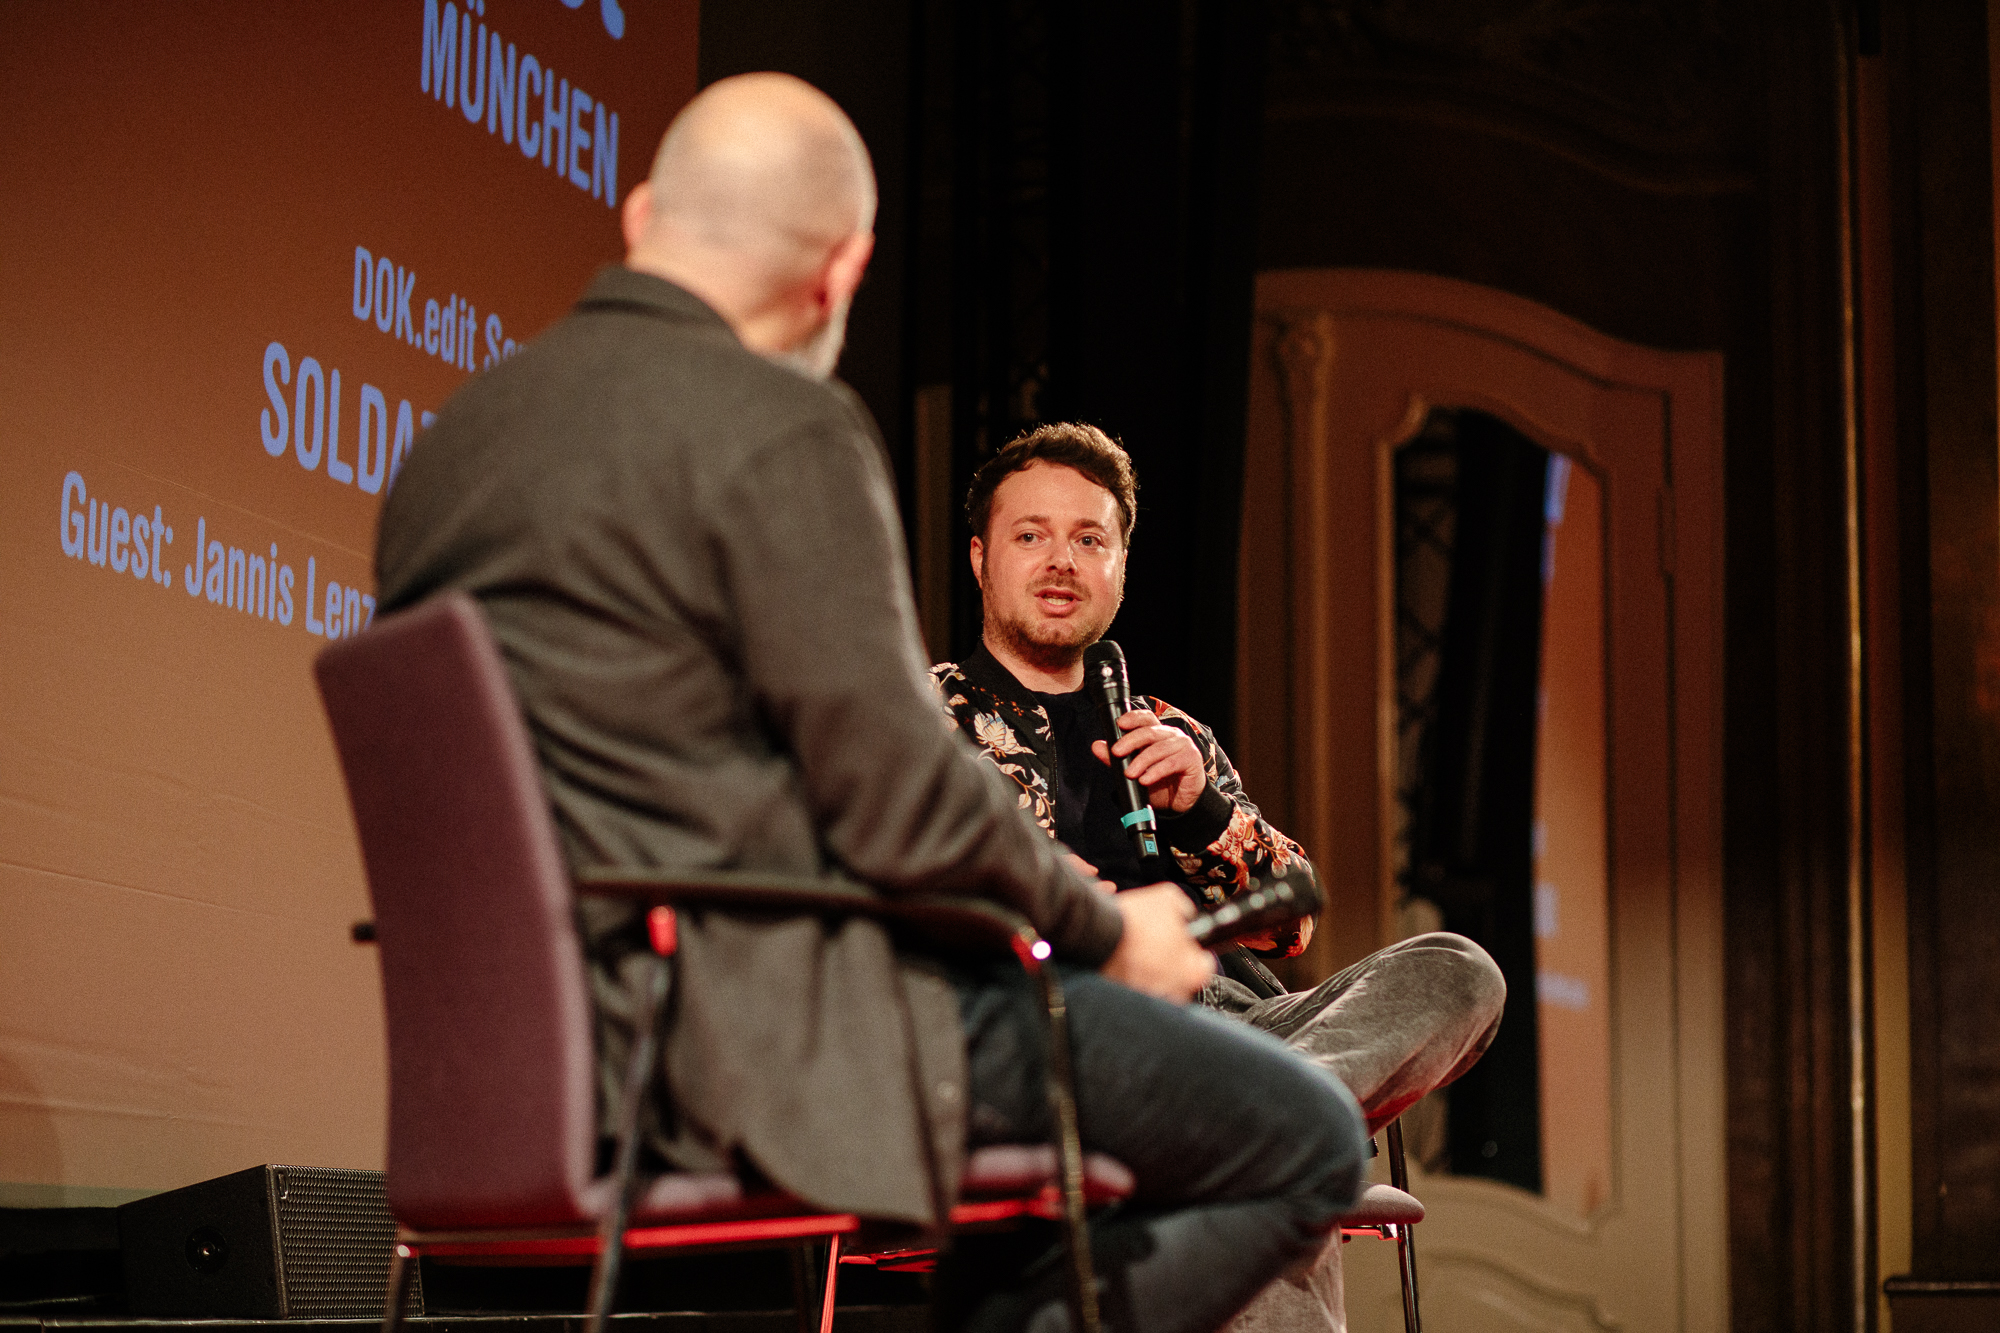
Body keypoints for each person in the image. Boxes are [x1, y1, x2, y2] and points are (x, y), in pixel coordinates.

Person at [375, 73, 1366, 1333]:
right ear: (841, 268)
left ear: (638, 218)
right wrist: (1110, 935)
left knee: (1081, 1162)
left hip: (512, 1061)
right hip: (756, 1047)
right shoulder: (781, 426)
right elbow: (903, 801)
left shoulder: (445, 450)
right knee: (1306, 1135)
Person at [932, 422, 1508, 1332]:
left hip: (1233, 1027)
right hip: (1060, 1038)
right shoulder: (925, 723)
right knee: (1279, 1170)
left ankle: (1257, 1112)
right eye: (1031, 534)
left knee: (1460, 968)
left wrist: (1201, 806)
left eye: (1090, 538)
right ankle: (1272, 1124)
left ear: (1121, 564)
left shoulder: (1168, 729)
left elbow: (1290, 923)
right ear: (980, 557)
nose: (1061, 561)